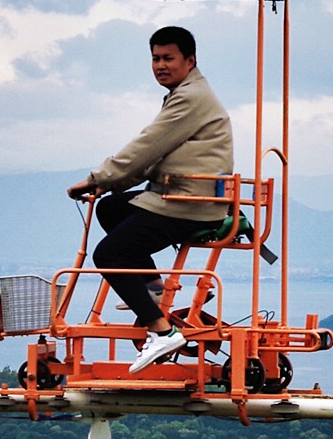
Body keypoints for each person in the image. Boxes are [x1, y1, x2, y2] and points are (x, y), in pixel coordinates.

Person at [67, 25, 234, 368]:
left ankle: (162, 330)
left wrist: (98, 177)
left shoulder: (191, 98)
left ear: (190, 60)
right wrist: (106, 186)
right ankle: (154, 290)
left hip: (189, 204)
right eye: (155, 58)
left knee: (110, 253)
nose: (160, 65)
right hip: (181, 196)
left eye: (168, 58)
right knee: (111, 208)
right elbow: (158, 156)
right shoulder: (185, 93)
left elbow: (147, 145)